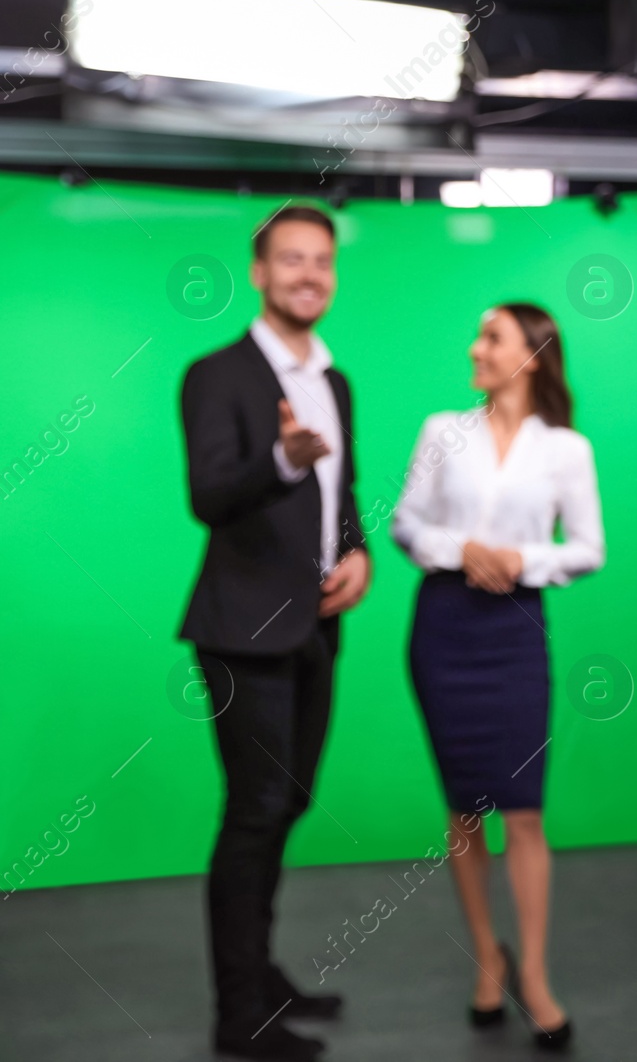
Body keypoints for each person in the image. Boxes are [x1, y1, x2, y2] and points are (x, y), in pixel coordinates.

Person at [179, 205, 371, 1062]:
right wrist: (286, 458)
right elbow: (210, 496)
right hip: (241, 634)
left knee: (286, 803)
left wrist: (359, 555)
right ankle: (238, 1013)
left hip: (316, 629)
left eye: (321, 261)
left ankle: (261, 972)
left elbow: (345, 494)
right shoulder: (215, 374)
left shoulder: (334, 380)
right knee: (254, 812)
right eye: (290, 260)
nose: (307, 275)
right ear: (258, 272)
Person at [390, 303, 604, 1053]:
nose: (475, 347)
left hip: (516, 632)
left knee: (524, 813)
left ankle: (535, 975)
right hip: (445, 628)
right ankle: (488, 956)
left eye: (492, 337)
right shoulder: (440, 430)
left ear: (533, 356)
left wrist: (521, 561)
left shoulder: (567, 449)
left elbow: (586, 548)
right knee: (466, 809)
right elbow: (405, 524)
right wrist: (466, 550)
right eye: (477, 333)